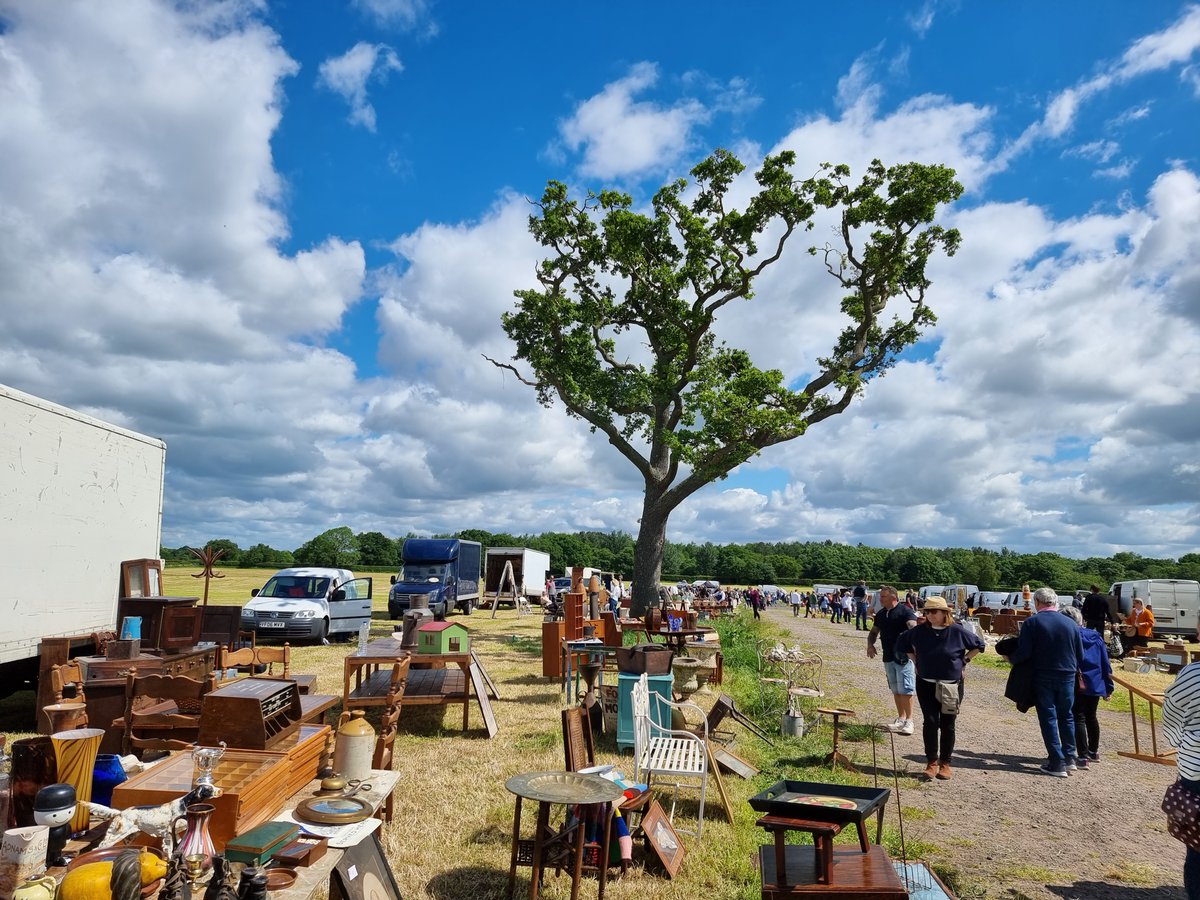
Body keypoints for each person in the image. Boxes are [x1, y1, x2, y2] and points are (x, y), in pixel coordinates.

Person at [893, 596, 984, 780]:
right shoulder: (919, 631)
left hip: (951, 685)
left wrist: (964, 661)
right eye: (927, 612)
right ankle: (931, 762)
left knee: (948, 724)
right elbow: (902, 643)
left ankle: (945, 763)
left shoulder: (957, 631)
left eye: (934, 612)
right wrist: (914, 660)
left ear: (945, 613)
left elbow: (979, 645)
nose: (930, 615)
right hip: (926, 682)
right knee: (931, 721)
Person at [1011, 587, 1084, 777]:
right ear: (1055, 602)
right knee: (1066, 715)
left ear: (1036, 602)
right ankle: (1070, 758)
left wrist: (1011, 659)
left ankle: (1056, 762)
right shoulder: (1071, 624)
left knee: (1048, 717)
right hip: (1067, 674)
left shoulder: (1032, 622)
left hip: (1043, 674)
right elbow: (1080, 654)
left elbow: (1024, 652)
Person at [1163, 621, 1200, 900]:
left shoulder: (1193, 675)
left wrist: (1180, 743)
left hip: (1197, 767)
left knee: (1198, 844)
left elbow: (1173, 711)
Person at [1061, 606, 1112, 769]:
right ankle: (1093, 751)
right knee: (1091, 716)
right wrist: (1108, 687)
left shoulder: (1068, 636)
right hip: (1095, 681)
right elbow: (1105, 663)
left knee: (1078, 717)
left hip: (1077, 680)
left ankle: (1082, 756)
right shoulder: (1096, 636)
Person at [867, 585, 918, 735]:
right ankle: (901, 718)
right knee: (895, 688)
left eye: (883, 597)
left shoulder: (905, 611)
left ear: (893, 598)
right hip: (888, 655)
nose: (880, 599)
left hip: (903, 657)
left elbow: (913, 628)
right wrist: (870, 645)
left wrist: (916, 650)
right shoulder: (882, 614)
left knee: (906, 688)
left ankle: (909, 721)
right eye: (880, 596)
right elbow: (874, 632)